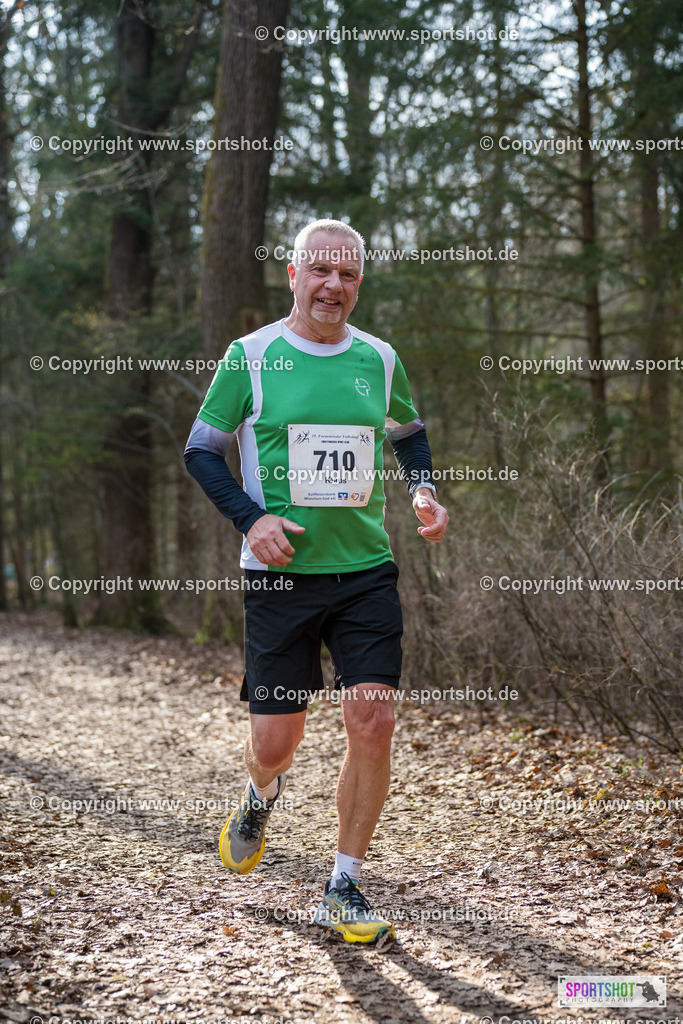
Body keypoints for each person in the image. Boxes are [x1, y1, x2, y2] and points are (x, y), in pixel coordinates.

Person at [184, 219, 448, 945]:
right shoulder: (252, 356)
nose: (334, 286)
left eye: (349, 275)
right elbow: (201, 451)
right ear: (293, 275)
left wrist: (423, 491)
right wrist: (250, 520)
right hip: (279, 576)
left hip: (364, 569)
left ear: (359, 283)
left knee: (373, 717)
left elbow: (409, 432)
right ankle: (259, 794)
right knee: (274, 739)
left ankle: (344, 882)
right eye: (320, 271)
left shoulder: (380, 359)